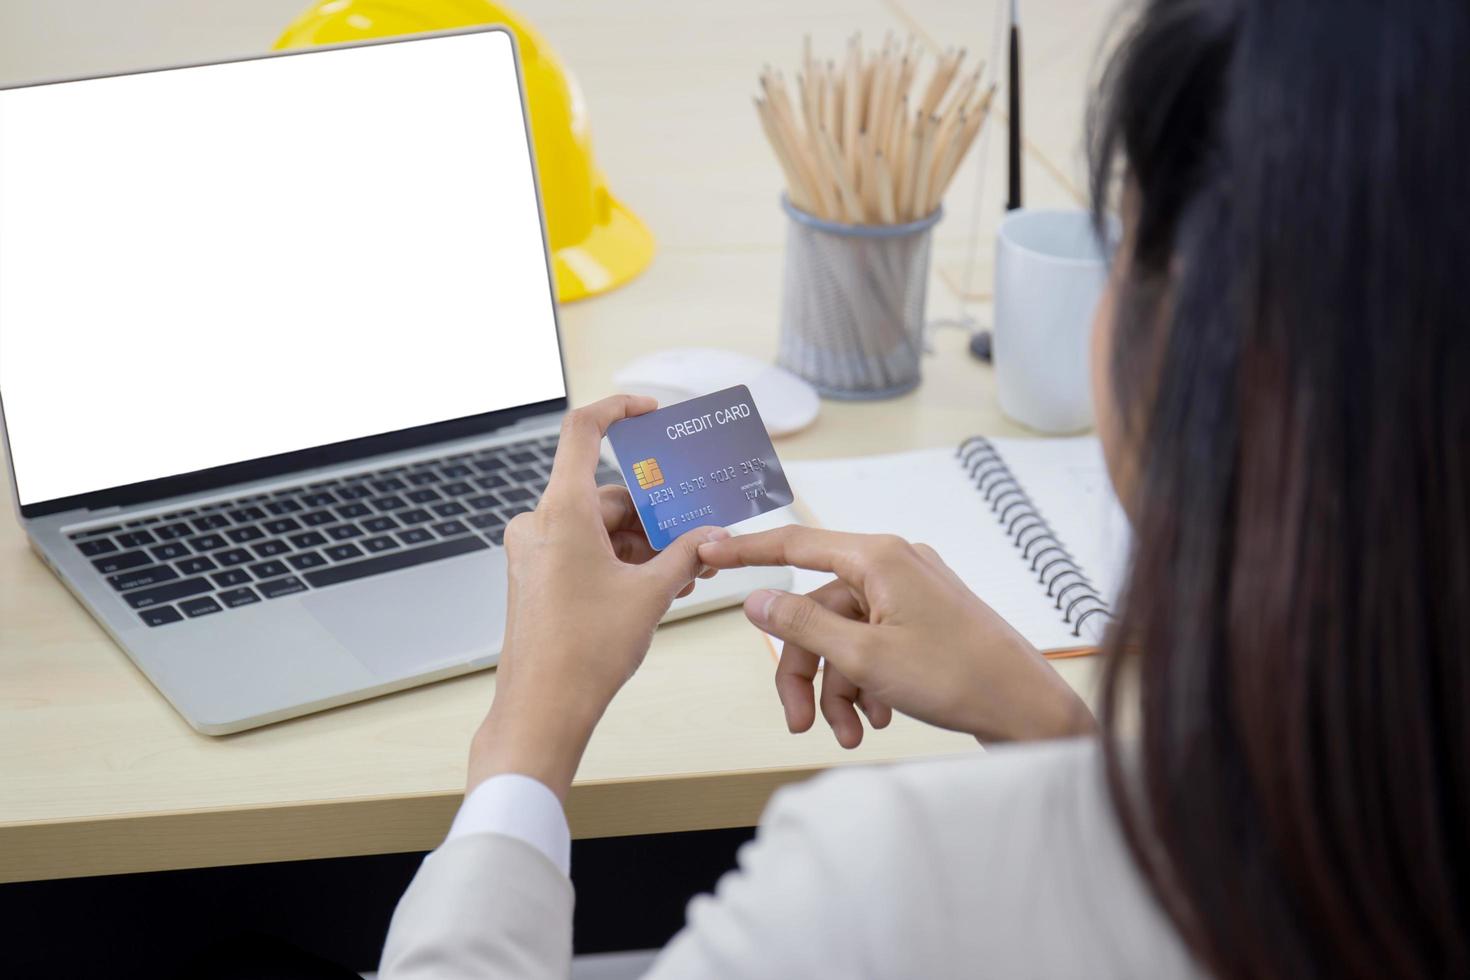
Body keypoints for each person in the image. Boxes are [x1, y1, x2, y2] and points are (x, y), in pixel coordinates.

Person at [380, 0, 1470, 975]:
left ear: (1196, 351)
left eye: (1118, 241)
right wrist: (1049, 727)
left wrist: (523, 741)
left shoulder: (883, 884)